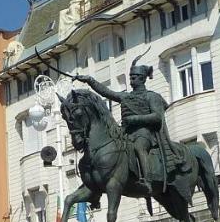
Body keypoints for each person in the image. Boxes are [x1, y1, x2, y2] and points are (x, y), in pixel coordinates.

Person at [75, 64, 184, 193]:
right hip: (126, 133)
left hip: (144, 133)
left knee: (139, 147)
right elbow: (106, 92)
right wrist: (89, 80)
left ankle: (147, 181)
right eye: (131, 78)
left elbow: (157, 117)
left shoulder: (151, 96)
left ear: (143, 79)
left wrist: (134, 119)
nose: (131, 80)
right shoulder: (125, 96)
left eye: (135, 77)